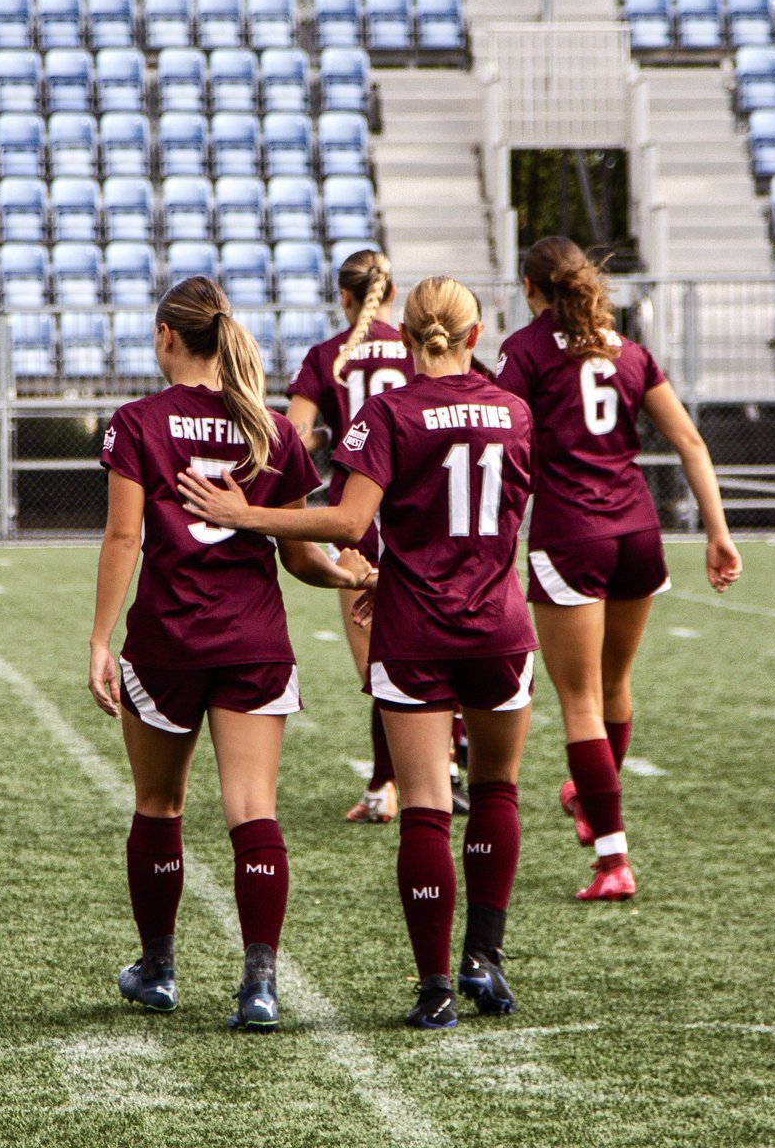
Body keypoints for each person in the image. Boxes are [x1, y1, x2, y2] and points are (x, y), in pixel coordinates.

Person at [178, 276, 538, 1030]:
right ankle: (486, 959)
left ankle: (435, 986)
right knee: (497, 791)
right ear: (475, 337)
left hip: (415, 626)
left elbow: (347, 524)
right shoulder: (513, 410)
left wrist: (245, 514)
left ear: (404, 338)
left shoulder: (388, 411)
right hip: (498, 624)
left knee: (425, 814)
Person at [88, 277, 372, 1033]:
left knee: (159, 806)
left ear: (165, 337)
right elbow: (302, 555)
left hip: (168, 640)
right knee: (254, 811)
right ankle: (259, 985)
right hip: (253, 642)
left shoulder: (136, 421)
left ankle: (158, 970)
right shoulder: (272, 431)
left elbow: (123, 538)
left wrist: (97, 640)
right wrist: (355, 573)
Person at [495, 236, 742, 901]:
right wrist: (717, 534)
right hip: (638, 531)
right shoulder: (627, 351)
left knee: (576, 700)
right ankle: (589, 793)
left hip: (571, 533)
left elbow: (498, 443)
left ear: (529, 288)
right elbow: (688, 440)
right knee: (613, 684)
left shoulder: (521, 352)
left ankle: (611, 860)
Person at [285, 247, 469, 823]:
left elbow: (292, 438)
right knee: (445, 649)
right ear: (393, 295)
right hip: (425, 510)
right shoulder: (422, 344)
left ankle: (384, 787)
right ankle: (450, 762)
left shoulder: (327, 355)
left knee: (381, 666)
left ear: (345, 297)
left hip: (357, 518)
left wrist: (325, 441)